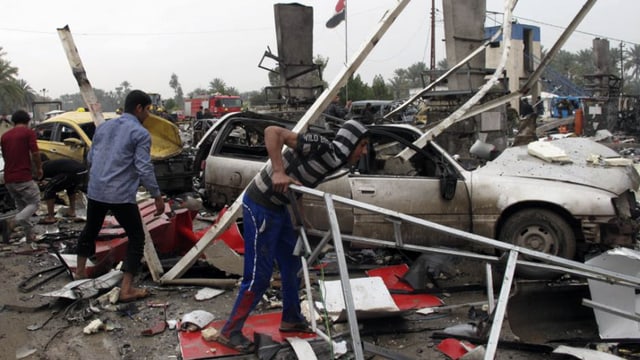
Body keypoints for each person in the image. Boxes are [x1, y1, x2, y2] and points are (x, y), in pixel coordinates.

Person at [218, 120, 369, 353]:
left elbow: (299, 180)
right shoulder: (323, 148)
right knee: (259, 275)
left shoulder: (335, 163)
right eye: (363, 145)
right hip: (260, 205)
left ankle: (291, 318)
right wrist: (278, 171)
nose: (365, 152)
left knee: (293, 263)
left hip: (278, 209)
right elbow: (272, 132)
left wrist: (301, 218)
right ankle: (229, 331)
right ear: (351, 143)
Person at [75, 90, 165, 303]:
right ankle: (126, 289)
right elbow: (143, 167)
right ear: (139, 108)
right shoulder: (140, 133)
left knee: (90, 229)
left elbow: (91, 157)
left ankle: (79, 274)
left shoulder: (104, 127)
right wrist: (157, 196)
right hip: (120, 194)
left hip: (96, 190)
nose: (149, 115)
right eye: (148, 110)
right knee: (136, 237)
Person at [0, 110, 43, 242]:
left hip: (8, 178)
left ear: (13, 122)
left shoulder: (5, 136)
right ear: (28, 121)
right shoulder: (28, 133)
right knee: (35, 203)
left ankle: (29, 236)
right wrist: (39, 169)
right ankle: (12, 222)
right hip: (23, 176)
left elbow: (6, 156)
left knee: (22, 207)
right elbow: (35, 153)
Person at [39, 158, 88, 224]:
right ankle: (72, 211)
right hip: (83, 170)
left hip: (72, 171)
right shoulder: (51, 164)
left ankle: (51, 217)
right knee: (71, 189)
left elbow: (38, 182)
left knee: (49, 190)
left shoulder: (40, 168)